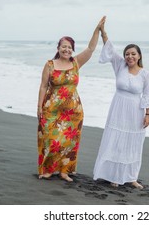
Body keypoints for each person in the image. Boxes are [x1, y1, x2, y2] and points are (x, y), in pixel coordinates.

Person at [37, 16, 106, 181]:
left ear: (72, 50)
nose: (66, 50)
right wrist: (39, 107)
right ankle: (48, 169)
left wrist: (97, 30)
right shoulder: (50, 65)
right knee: (50, 138)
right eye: (63, 47)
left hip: (73, 110)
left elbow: (90, 48)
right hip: (51, 108)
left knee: (69, 142)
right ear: (58, 48)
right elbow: (43, 86)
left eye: (69, 47)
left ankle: (64, 171)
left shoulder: (76, 63)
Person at [93, 19, 149, 189]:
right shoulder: (120, 66)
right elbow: (110, 50)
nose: (130, 56)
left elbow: (148, 95)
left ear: (139, 56)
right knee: (117, 141)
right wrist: (102, 31)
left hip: (135, 111)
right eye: (127, 54)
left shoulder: (145, 74)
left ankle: (131, 176)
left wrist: (148, 115)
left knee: (133, 143)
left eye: (133, 54)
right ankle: (114, 175)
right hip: (118, 108)